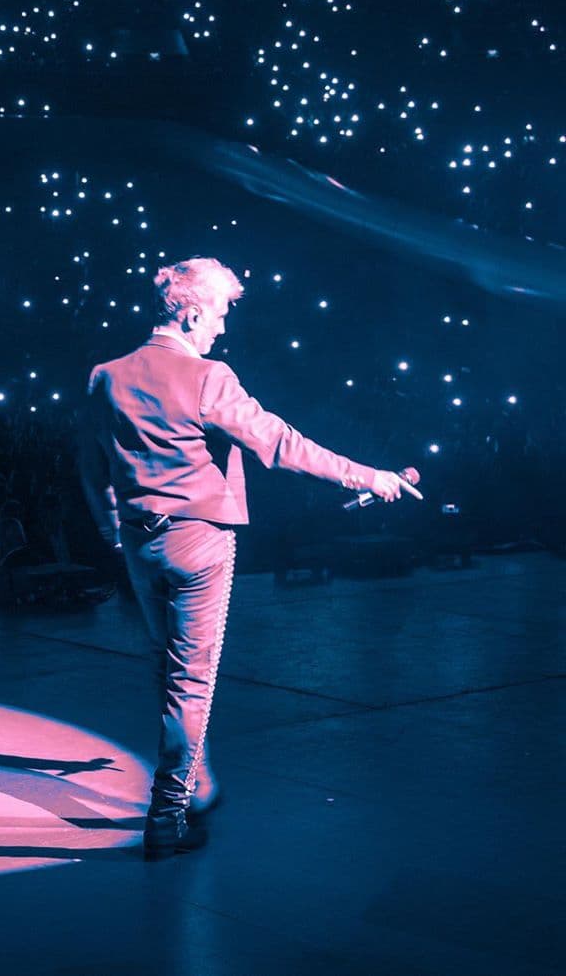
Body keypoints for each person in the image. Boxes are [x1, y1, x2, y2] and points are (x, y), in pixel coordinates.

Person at [79, 257, 402, 859]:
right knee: (189, 682)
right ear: (193, 312)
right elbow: (279, 444)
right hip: (199, 541)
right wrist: (367, 476)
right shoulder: (208, 376)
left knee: (169, 670)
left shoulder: (105, 376)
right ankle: (169, 815)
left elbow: (91, 463)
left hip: (139, 545)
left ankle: (193, 781)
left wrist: (113, 530)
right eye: (221, 314)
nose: (223, 328)